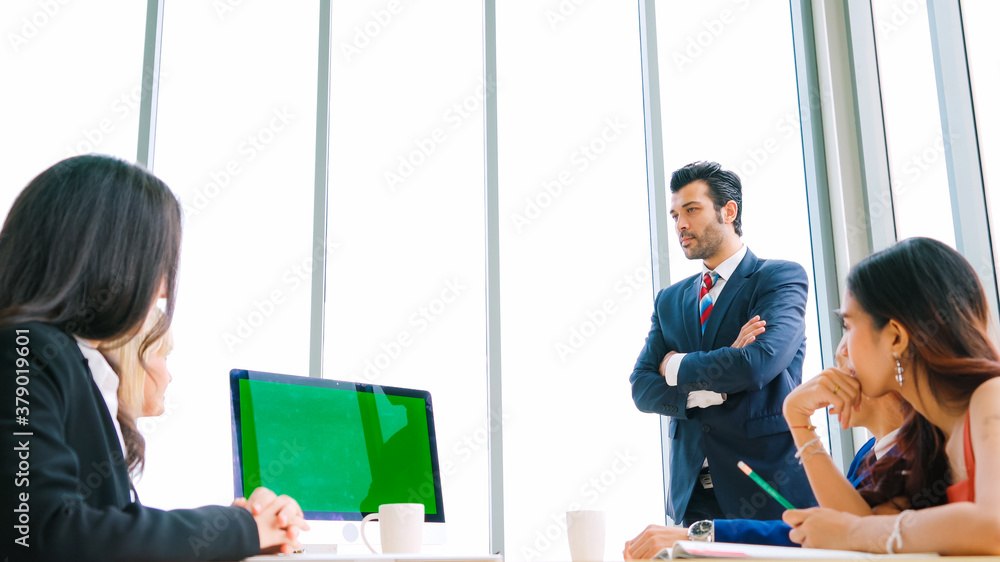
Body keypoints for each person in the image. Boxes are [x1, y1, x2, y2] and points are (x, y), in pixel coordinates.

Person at [0, 155, 308, 561]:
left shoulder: (73, 363)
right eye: (155, 265)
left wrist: (235, 531)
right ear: (104, 258)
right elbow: (44, 533)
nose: (161, 291)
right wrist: (239, 529)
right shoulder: (25, 349)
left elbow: (96, 530)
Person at [782, 237, 1000, 555]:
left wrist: (853, 531)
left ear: (896, 337)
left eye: (848, 325)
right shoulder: (927, 433)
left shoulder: (991, 397)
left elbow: (993, 527)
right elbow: (865, 533)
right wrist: (798, 420)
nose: (842, 348)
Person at [630, 161, 815, 525]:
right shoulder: (670, 300)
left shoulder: (777, 278)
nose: (681, 224)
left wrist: (675, 366)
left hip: (766, 489)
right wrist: (708, 385)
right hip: (693, 496)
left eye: (692, 210)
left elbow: (756, 364)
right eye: (675, 215)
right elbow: (641, 387)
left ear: (729, 211)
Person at [624, 335, 908, 558]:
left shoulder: (910, 458)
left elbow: (851, 536)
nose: (834, 369)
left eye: (851, 325)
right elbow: (828, 532)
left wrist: (798, 418)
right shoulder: (869, 453)